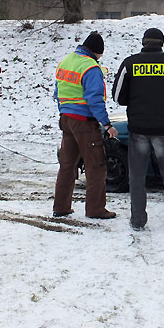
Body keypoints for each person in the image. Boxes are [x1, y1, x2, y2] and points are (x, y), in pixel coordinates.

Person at [112, 28, 164, 231]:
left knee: (137, 178)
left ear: (143, 42)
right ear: (161, 43)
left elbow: (117, 97)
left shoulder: (130, 63)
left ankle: (138, 221)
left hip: (138, 128)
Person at [53, 32, 118, 220]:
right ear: (97, 52)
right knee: (95, 166)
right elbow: (95, 100)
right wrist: (106, 124)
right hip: (84, 123)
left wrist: (64, 112)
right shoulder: (91, 68)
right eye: (100, 55)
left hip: (66, 119)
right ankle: (95, 209)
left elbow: (58, 92)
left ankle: (61, 207)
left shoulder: (65, 62)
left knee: (67, 165)